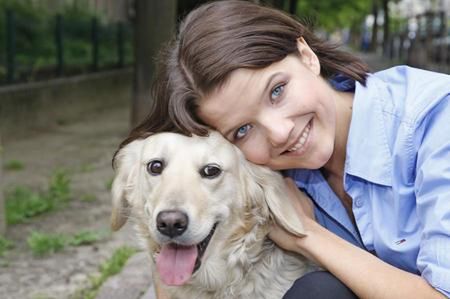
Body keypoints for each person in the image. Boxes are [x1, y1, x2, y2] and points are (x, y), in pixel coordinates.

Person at [120, 1, 450, 298]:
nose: (280, 133)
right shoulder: (256, 170)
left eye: (277, 90)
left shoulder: (437, 121)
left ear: (306, 56)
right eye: (243, 129)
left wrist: (306, 233)